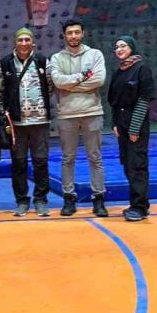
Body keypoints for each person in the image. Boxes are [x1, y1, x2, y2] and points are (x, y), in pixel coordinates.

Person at [50, 19, 108, 217]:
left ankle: (98, 199)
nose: (73, 36)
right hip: (67, 114)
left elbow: (99, 79)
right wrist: (83, 77)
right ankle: (69, 198)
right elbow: (58, 82)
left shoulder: (95, 54)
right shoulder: (57, 58)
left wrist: (71, 86)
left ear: (82, 33)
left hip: (92, 112)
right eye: (70, 33)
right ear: (64, 36)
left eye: (76, 32)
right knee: (68, 158)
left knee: (95, 157)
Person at [0, 27, 53, 217]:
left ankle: (41, 200)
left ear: (33, 42)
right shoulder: (4, 63)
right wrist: (4, 114)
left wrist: (38, 104)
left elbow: (50, 86)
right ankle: (21, 201)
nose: (24, 43)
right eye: (20, 40)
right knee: (18, 163)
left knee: (41, 162)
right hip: (16, 124)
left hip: (40, 121)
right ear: (15, 42)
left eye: (27, 40)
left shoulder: (42, 61)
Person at [107, 36, 155, 222]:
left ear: (132, 48)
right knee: (127, 163)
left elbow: (144, 99)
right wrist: (115, 123)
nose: (119, 49)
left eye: (123, 46)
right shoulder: (118, 71)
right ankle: (137, 202)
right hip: (121, 122)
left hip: (136, 121)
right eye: (116, 47)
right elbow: (113, 101)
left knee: (137, 164)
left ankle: (139, 207)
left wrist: (134, 129)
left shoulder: (142, 68)